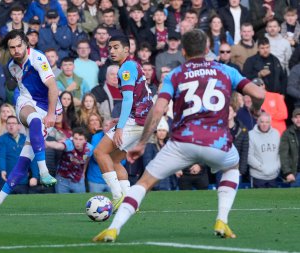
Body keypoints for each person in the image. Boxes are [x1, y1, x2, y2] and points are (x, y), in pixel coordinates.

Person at [92, 29, 265, 242]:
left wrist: (143, 143)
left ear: (183, 51)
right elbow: (258, 94)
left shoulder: (176, 74)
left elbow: (157, 110)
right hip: (218, 142)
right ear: (208, 49)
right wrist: (256, 110)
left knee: (144, 183)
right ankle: (222, 219)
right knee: (232, 167)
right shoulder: (226, 70)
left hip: (183, 142)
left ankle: (114, 229)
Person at [0, 30, 61, 214]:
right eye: (12, 48)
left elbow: (54, 88)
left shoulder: (38, 59)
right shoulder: (11, 66)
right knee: (33, 120)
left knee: (22, 163)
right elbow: (22, 87)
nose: (16, 50)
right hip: (25, 100)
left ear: (26, 44)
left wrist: (50, 114)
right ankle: (43, 171)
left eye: (18, 45)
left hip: (46, 105)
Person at [93, 35, 153, 213]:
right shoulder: (132, 65)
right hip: (145, 122)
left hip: (138, 121)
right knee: (114, 160)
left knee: (99, 152)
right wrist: (121, 120)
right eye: (110, 47)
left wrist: (120, 127)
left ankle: (117, 198)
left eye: (116, 47)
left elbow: (127, 99)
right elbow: (138, 97)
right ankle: (129, 202)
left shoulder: (126, 68)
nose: (111, 50)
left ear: (126, 50)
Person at [46, 127, 93, 193]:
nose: (78, 142)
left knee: (80, 200)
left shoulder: (89, 148)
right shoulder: (69, 144)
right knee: (62, 201)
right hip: (63, 179)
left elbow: (86, 160)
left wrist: (83, 172)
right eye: (76, 139)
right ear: (72, 138)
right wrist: (47, 144)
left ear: (85, 140)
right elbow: (59, 145)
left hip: (78, 178)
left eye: (81, 139)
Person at [0, 115, 33, 194]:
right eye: (9, 123)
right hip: (5, 179)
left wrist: (35, 176)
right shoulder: (1, 140)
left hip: (22, 181)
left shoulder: (26, 139)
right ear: (6, 126)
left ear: (19, 126)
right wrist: (2, 170)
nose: (11, 125)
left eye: (13, 123)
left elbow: (32, 158)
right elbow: (1, 156)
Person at [248, 112, 281, 188]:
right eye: (262, 122)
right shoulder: (251, 135)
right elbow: (249, 156)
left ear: (270, 123)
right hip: (258, 177)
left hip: (273, 176)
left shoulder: (276, 133)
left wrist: (277, 166)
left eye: (267, 122)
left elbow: (279, 153)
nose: (264, 124)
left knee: (274, 199)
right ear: (258, 122)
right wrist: (262, 168)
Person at [280, 108, 300, 187]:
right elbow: (283, 155)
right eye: (296, 117)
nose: (298, 119)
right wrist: (288, 173)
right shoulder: (287, 134)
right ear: (292, 119)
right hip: (295, 174)